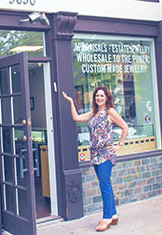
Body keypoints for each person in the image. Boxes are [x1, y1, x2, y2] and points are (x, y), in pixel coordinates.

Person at [62, 86, 129, 232]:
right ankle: (114, 215)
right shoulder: (94, 113)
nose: (99, 98)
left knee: (104, 186)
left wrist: (119, 145)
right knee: (106, 185)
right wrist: (71, 102)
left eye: (101, 96)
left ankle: (106, 218)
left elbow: (125, 127)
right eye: (97, 96)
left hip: (106, 154)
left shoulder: (110, 112)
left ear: (107, 98)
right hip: (95, 155)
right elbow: (76, 118)